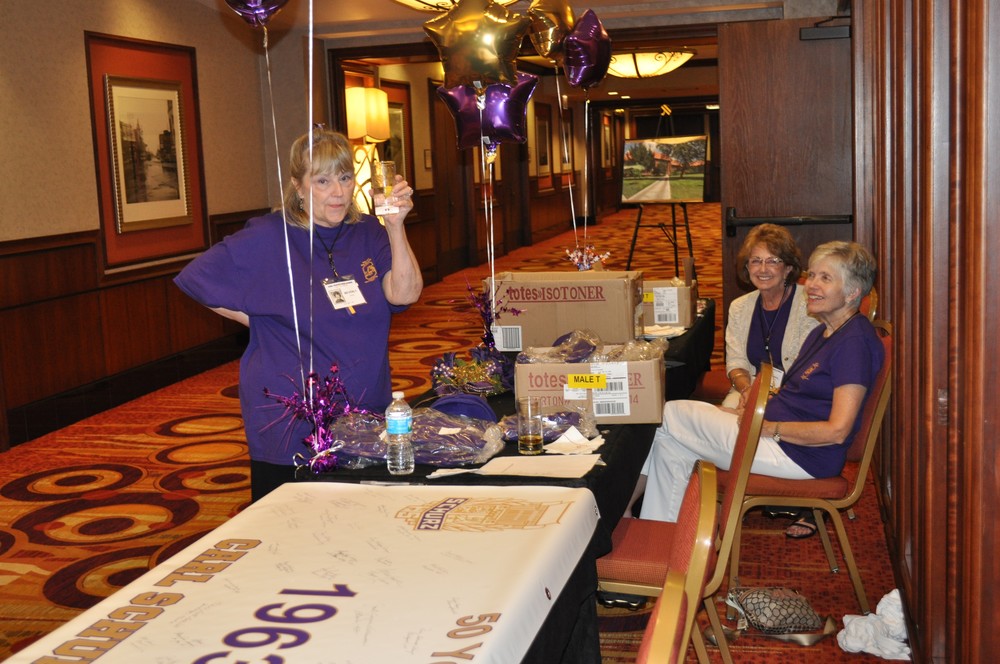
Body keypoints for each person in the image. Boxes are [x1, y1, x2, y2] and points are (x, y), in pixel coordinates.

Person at [174, 129, 423, 501]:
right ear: (298, 186)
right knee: (290, 522)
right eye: (322, 181)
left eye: (345, 178)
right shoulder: (269, 236)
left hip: (364, 410)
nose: (338, 192)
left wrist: (395, 226)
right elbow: (195, 278)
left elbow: (405, 294)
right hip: (292, 418)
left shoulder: (368, 231)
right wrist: (258, 319)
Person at [628, 241, 884, 530]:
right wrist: (745, 415)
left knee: (670, 414)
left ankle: (635, 516)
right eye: (812, 275)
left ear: (852, 292)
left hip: (800, 455)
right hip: (775, 437)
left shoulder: (853, 344)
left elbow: (838, 431)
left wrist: (770, 428)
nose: (811, 285)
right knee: (671, 445)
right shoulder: (824, 333)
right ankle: (663, 536)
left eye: (825, 278)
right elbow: (791, 397)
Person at [722, 223, 819, 410]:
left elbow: (808, 367)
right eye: (756, 261)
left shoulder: (810, 305)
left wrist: (768, 400)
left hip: (796, 394)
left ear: (788, 267)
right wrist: (747, 390)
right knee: (724, 416)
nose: (763, 269)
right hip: (751, 389)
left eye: (773, 261)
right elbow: (736, 362)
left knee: (736, 423)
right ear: (747, 267)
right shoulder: (739, 307)